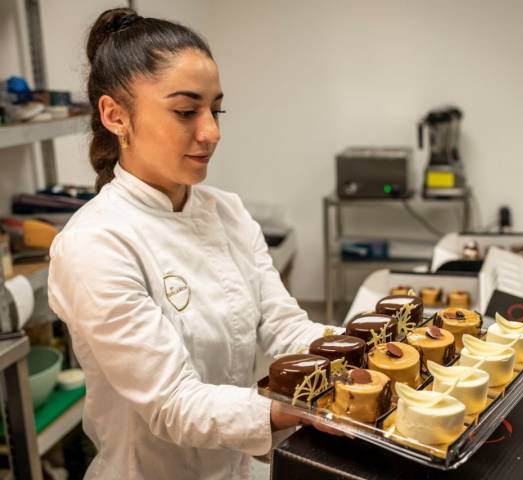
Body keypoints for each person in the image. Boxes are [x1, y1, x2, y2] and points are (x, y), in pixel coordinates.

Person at [48, 8, 337, 479]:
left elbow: (284, 328)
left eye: (215, 109)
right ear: (115, 115)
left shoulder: (226, 212)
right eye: (186, 111)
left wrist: (363, 351)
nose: (212, 132)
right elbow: (174, 402)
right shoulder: (95, 244)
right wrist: (294, 411)